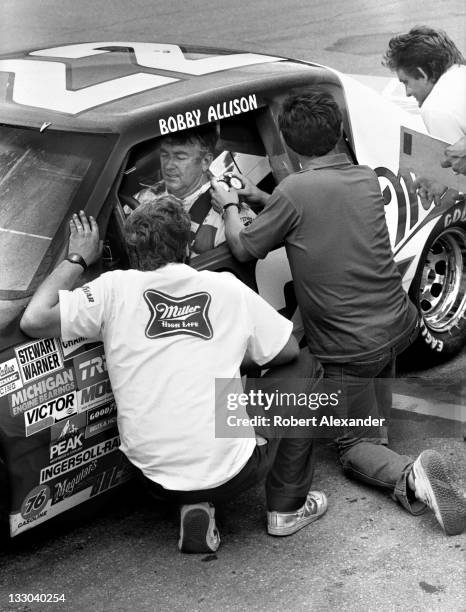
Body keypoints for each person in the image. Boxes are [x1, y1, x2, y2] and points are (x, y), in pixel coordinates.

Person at [210, 89, 466, 536]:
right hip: (395, 326)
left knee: (352, 445)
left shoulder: (293, 191)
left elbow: (244, 245)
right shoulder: (363, 177)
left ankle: (412, 476)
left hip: (349, 346)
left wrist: (231, 204)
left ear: (289, 146)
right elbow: (313, 212)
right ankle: (381, 444)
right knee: (371, 417)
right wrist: (262, 197)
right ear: (340, 133)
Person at [19, 197, 327, 553]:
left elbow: (33, 319)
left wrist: (77, 259)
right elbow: (285, 349)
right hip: (234, 472)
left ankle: (196, 505)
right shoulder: (225, 287)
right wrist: (228, 356)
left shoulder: (112, 289)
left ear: (134, 249)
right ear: (185, 245)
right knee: (305, 366)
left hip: (151, 479)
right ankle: (287, 509)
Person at [133, 126, 255, 255]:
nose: (168, 166)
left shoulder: (230, 209)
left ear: (205, 162)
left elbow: (251, 256)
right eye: (164, 155)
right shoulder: (142, 199)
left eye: (180, 158)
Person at [382, 26, 466, 143]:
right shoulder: (461, 71)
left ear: (423, 74)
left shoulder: (436, 109)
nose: (408, 93)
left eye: (406, 82)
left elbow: (453, 160)